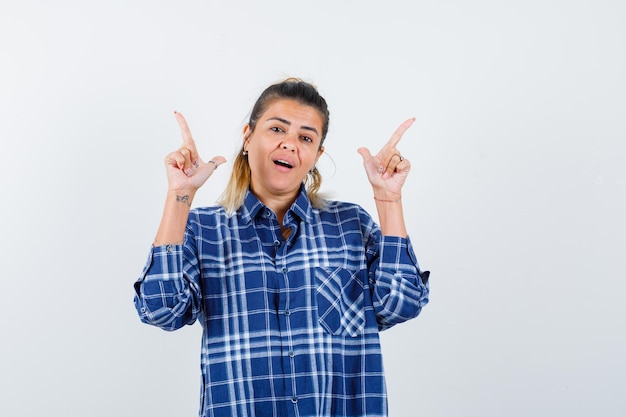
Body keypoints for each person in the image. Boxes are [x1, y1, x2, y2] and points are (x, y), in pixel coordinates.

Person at [133, 78, 430, 417]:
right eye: (277, 129)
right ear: (248, 137)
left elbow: (401, 304)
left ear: (316, 156)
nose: (290, 144)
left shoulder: (351, 225)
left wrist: (389, 199)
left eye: (305, 137)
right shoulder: (203, 230)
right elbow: (162, 311)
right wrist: (179, 196)